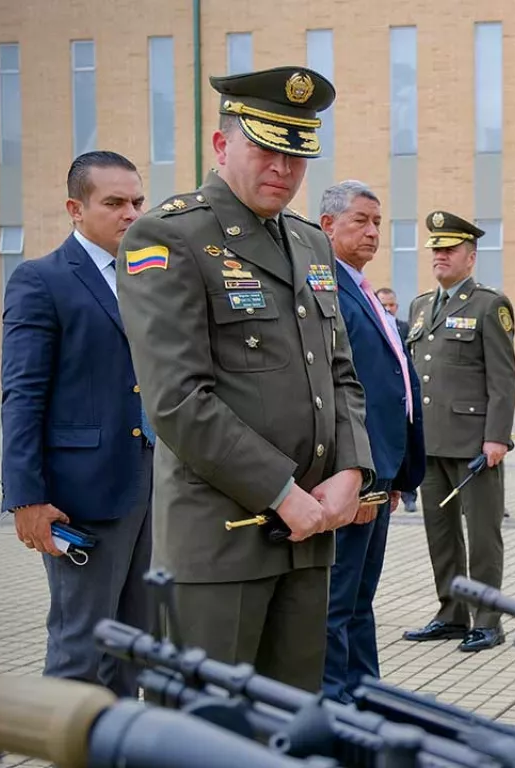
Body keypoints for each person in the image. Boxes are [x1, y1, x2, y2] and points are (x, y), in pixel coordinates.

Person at [116, 66, 374, 692]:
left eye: (296, 154)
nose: (282, 169)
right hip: (222, 544)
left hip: (311, 538)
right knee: (206, 733)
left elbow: (339, 372)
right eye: (266, 147)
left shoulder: (312, 243)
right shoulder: (170, 236)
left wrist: (351, 470)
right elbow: (178, 400)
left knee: (290, 724)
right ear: (222, 144)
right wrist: (286, 494)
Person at [0, 151, 152, 697]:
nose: (131, 214)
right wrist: (26, 499)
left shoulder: (151, 279)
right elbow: (22, 396)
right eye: (114, 203)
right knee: (81, 648)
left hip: (154, 487)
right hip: (83, 496)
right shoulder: (41, 280)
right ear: (75, 208)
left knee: (139, 645)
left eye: (137, 201)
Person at [319, 180, 426, 702]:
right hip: (354, 474)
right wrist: (359, 475)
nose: (372, 231)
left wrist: (395, 475)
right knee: (337, 602)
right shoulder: (327, 292)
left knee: (361, 599)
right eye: (360, 220)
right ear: (327, 226)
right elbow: (338, 392)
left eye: (378, 222)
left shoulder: (359, 287)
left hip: (380, 472)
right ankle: (335, 702)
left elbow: (393, 383)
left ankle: (365, 695)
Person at [402, 210, 515, 653]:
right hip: (430, 442)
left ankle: (488, 620)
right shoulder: (419, 306)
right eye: (436, 249)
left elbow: (503, 379)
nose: (440, 256)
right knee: (441, 532)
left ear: (470, 258)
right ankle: (451, 613)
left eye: (449, 250)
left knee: (483, 536)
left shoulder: (490, 304)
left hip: (474, 444)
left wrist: (497, 438)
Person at [377, 286, 419, 513]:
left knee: (407, 453)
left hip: (405, 400)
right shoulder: (375, 325)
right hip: (385, 403)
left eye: (392, 305)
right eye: (384, 305)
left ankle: (409, 496)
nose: (389, 309)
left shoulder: (404, 327)